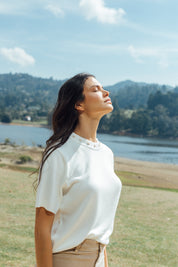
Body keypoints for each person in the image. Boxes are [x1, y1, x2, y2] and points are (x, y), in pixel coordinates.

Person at [35, 73, 122, 267]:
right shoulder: (59, 154)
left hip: (99, 257)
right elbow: (42, 224)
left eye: (102, 88)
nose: (105, 92)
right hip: (69, 258)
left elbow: (98, 224)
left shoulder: (106, 153)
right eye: (95, 89)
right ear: (79, 105)